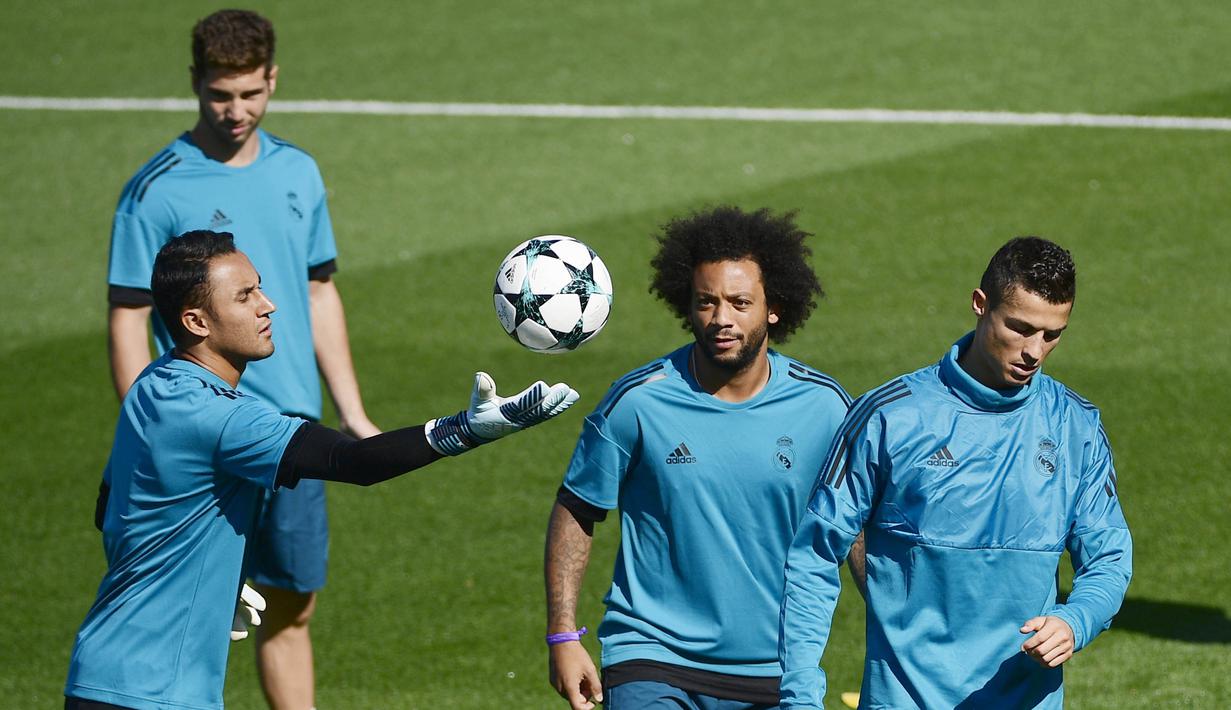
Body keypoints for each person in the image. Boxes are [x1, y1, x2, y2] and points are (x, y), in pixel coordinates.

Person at [67, 231, 579, 710]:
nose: (268, 306)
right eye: (244, 297)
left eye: (260, 289)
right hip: (155, 691)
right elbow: (352, 461)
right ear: (197, 321)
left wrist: (205, 584)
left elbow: (110, 506)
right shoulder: (220, 416)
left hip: (103, 670)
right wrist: (469, 428)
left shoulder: (154, 384)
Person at [105, 10, 373, 707]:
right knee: (186, 608)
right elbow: (130, 317)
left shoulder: (298, 171)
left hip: (287, 423)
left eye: (251, 94)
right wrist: (147, 426)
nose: (235, 111)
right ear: (195, 84)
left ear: (272, 80)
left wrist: (352, 412)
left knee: (292, 604)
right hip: (204, 431)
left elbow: (318, 291)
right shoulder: (155, 189)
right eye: (220, 95)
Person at [779, 237, 1133, 708]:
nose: (1035, 351)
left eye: (1052, 334)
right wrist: (800, 696)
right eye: (1021, 328)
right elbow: (814, 556)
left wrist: (1076, 620)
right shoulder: (890, 417)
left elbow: (1109, 556)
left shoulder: (1075, 426)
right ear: (979, 304)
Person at [545, 206, 853, 710]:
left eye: (739, 302)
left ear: (773, 307)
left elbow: (857, 529)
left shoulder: (824, 409)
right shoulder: (638, 401)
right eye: (706, 302)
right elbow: (577, 507)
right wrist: (563, 634)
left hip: (778, 669)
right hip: (652, 657)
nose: (721, 319)